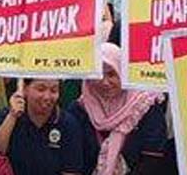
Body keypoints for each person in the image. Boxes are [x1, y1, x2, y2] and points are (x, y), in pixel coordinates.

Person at [69, 43, 171, 174]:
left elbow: (153, 157)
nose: (105, 82)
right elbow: (73, 160)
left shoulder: (145, 105)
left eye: (111, 74)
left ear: (123, 72)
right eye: (98, 75)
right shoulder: (79, 110)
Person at [0, 79, 84, 175]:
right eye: (41, 89)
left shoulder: (68, 124)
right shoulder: (9, 116)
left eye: (53, 90)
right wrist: (12, 116)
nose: (47, 97)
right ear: (25, 89)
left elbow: (71, 171)